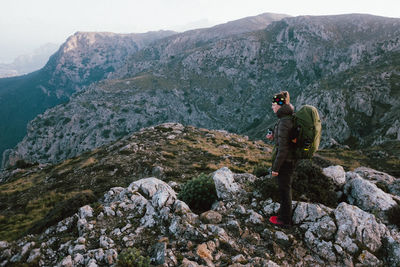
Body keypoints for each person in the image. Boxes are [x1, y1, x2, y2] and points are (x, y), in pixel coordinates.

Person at [266, 91, 296, 228]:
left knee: (285, 189)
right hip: (287, 160)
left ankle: (285, 221)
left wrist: (275, 168)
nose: (272, 107)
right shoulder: (285, 119)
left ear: (280, 105)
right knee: (284, 188)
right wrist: (273, 137)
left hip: (286, 162)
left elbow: (283, 149)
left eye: (273, 104)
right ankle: (284, 214)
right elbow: (284, 141)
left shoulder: (284, 122)